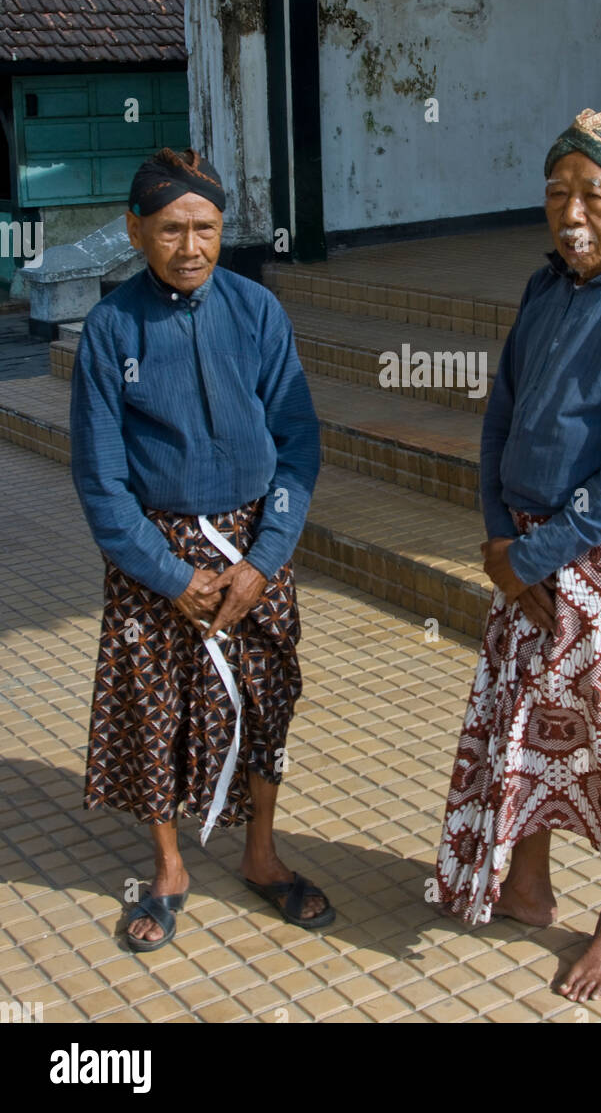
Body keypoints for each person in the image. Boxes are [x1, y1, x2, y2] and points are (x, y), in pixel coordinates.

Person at [435, 108, 601, 1001]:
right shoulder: (543, 289)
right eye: (556, 195)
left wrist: (538, 552)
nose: (572, 213)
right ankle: (529, 886)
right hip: (525, 550)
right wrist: (500, 541)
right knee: (522, 722)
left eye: (594, 194)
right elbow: (501, 418)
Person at [71, 146, 332, 952]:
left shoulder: (258, 312)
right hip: (157, 554)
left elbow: (299, 445)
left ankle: (261, 854)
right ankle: (169, 868)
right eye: (172, 229)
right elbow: (101, 482)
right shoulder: (111, 327)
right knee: (157, 714)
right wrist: (170, 574)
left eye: (208, 228)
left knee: (267, 703)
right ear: (135, 230)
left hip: (256, 549)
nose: (192, 247)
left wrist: (264, 560)